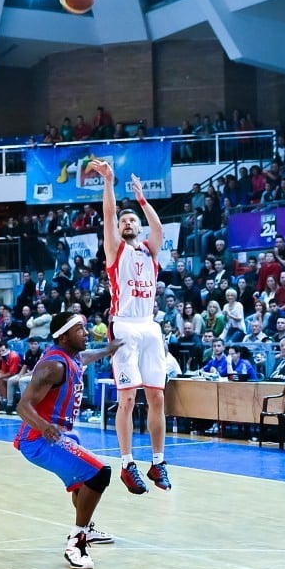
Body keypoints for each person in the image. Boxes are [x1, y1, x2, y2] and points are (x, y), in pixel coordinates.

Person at [15, 312, 123, 569]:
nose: (85, 333)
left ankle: (85, 527)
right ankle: (77, 541)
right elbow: (22, 405)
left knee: (82, 483)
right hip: (39, 437)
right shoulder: (53, 366)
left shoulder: (71, 357)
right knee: (99, 473)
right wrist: (44, 427)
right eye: (80, 330)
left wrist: (108, 350)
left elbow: (84, 357)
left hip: (60, 434)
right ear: (63, 337)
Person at [91, 158, 171, 495]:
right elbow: (108, 214)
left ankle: (158, 462)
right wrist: (109, 182)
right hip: (123, 326)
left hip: (150, 326)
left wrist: (141, 200)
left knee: (157, 397)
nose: (126, 222)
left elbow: (160, 230)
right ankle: (127, 463)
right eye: (123, 220)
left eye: (131, 220)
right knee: (127, 400)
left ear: (137, 227)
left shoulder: (150, 251)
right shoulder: (116, 249)